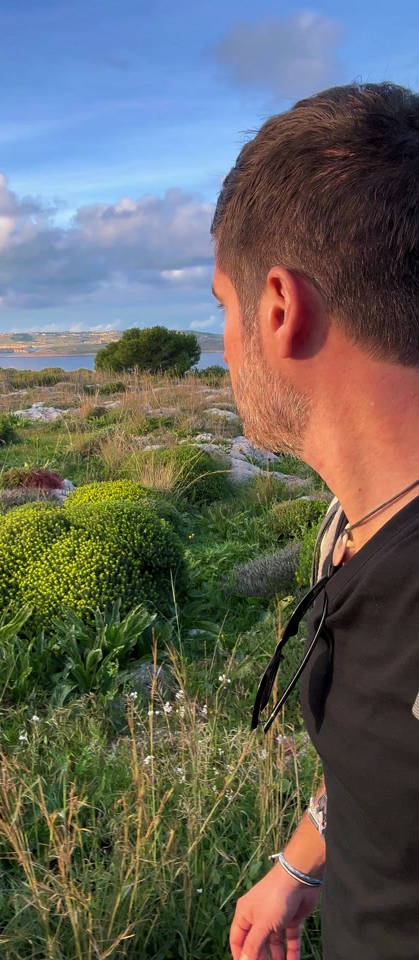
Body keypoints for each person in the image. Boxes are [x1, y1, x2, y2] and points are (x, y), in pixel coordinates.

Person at [211, 82, 419, 960]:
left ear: (279, 308)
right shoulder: (360, 521)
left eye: (221, 308)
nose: (222, 341)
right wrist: (300, 867)